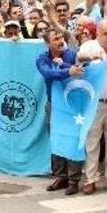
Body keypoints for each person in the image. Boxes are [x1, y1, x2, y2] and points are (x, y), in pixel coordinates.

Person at [37, 27, 83, 195]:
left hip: (72, 105)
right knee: (56, 138)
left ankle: (74, 179)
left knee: (72, 140)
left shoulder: (72, 54)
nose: (60, 40)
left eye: (61, 37)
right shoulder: (42, 59)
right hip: (53, 105)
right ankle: (61, 176)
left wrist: (65, 66)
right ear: (47, 43)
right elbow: (48, 73)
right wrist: (67, 71)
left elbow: (81, 69)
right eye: (55, 38)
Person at [78, 20, 107, 194]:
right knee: (92, 143)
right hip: (94, 104)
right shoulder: (88, 46)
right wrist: (91, 59)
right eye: (106, 33)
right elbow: (79, 61)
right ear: (97, 33)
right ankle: (91, 179)